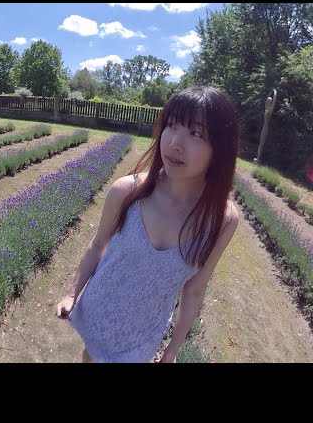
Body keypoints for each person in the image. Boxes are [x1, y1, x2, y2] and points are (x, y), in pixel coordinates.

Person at [56, 86, 240, 363]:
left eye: (196, 133)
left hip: (141, 336)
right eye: (172, 126)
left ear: (221, 148)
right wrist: (72, 293)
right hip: (98, 311)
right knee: (90, 356)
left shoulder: (222, 220)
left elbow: (195, 289)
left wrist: (173, 349)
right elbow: (97, 246)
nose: (176, 143)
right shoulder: (126, 191)